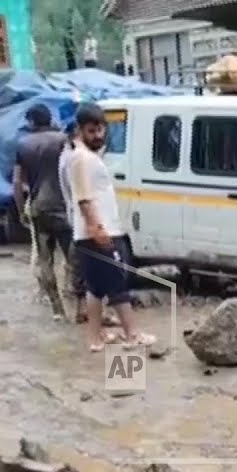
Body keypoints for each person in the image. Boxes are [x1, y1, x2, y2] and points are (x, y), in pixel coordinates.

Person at [64, 102, 154, 351]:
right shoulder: (81, 159)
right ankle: (132, 333)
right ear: (80, 130)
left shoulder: (85, 157)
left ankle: (95, 338)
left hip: (90, 233)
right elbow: (83, 197)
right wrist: (97, 227)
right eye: (92, 131)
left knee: (96, 287)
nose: (99, 135)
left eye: (101, 129)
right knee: (117, 283)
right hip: (97, 233)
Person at [13, 104, 83, 322]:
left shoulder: (23, 145)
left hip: (38, 209)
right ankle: (79, 308)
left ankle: (57, 310)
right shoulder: (63, 140)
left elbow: (17, 182)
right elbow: (76, 170)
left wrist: (20, 211)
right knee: (74, 258)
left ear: (31, 122)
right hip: (64, 208)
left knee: (45, 260)